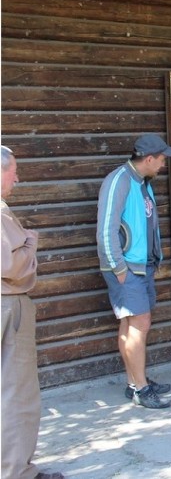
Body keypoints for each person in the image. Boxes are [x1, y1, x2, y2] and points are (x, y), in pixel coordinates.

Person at [97, 134, 171, 409]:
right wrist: (119, 268)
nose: (164, 164)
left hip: (140, 266)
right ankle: (142, 390)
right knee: (140, 325)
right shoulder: (119, 180)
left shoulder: (143, 182)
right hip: (126, 268)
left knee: (129, 324)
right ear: (149, 158)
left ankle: (134, 383)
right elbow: (106, 228)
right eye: (162, 159)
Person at [2, 146, 65, 479]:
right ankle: (16, 473)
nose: (17, 176)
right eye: (13, 170)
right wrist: (30, 242)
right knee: (17, 393)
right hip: (8, 306)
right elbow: (11, 267)